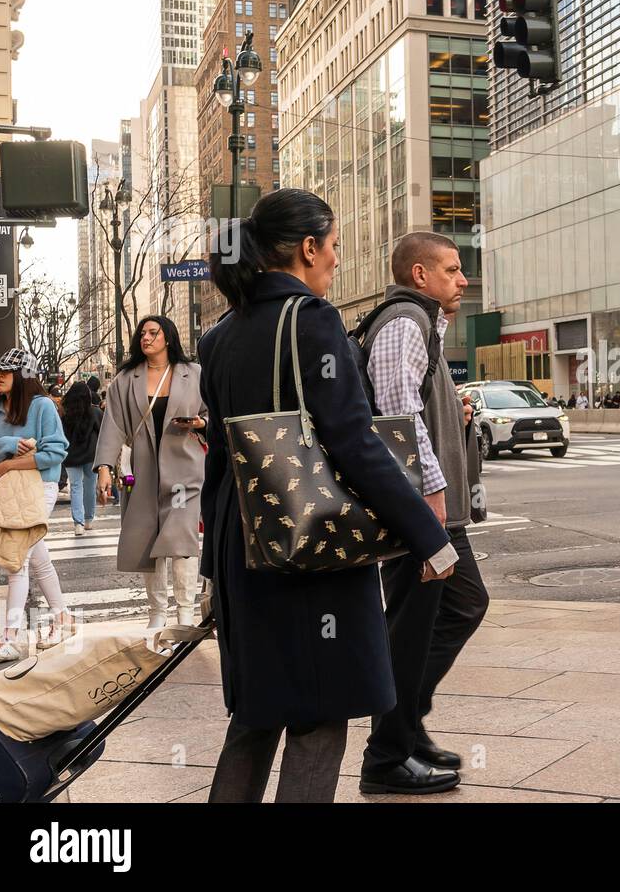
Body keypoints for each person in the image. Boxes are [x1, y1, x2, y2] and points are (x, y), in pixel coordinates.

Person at [199, 188, 455, 804]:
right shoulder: (311, 321)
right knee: (319, 716)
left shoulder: (220, 335)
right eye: (334, 245)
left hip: (244, 540)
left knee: (258, 714)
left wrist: (214, 567)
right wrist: (427, 534)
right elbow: (354, 442)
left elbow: (216, 461)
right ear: (308, 248)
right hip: (307, 538)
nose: (337, 259)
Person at [361, 230, 489, 795]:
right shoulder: (404, 322)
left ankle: (407, 725)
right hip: (420, 512)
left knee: (456, 607)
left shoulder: (421, 325)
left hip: (432, 510)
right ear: (421, 275)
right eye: (454, 269)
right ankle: (387, 756)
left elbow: (413, 405)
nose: (463, 280)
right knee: (412, 625)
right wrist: (431, 494)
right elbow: (396, 417)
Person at [94, 316, 207, 629]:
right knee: (148, 542)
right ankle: (157, 614)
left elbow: (211, 411)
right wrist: (104, 468)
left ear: (168, 338)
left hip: (185, 472)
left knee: (183, 543)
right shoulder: (125, 379)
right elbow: (113, 426)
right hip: (141, 474)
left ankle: (185, 614)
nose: (146, 338)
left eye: (153, 333)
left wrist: (202, 423)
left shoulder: (193, 373)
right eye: (142, 333)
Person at [0, 349, 72, 660]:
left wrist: (9, 465)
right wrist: (6, 447)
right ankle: (64, 620)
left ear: (25, 376)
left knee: (17, 559)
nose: (0, 376)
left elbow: (56, 452)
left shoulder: (42, 406)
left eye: (7, 371)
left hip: (40, 488)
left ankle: (11, 637)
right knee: (36, 560)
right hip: (7, 493)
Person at [60, 381, 102, 537]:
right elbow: (102, 433)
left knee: (76, 487)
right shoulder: (95, 412)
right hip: (91, 455)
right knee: (90, 486)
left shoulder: (64, 414)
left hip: (71, 456)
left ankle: (78, 523)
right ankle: (89, 519)